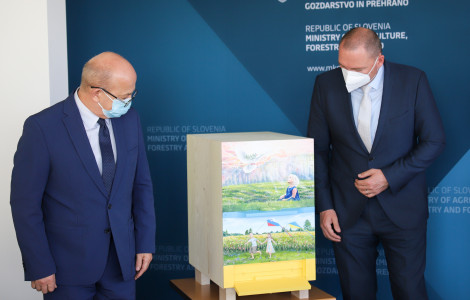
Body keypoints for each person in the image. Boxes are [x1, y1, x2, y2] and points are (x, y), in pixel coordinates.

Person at [307, 28, 445, 300]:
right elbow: (318, 151)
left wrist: (389, 176)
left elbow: (434, 141)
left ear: (379, 60)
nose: (347, 76)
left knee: (410, 292)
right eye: (342, 66)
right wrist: (325, 207)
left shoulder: (413, 80)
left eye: (356, 69)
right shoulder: (326, 84)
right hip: (348, 214)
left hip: (403, 210)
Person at [10, 52, 156, 300]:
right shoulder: (42, 128)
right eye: (123, 97)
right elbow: (25, 205)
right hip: (66, 268)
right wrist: (39, 264)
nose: (129, 101)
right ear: (96, 92)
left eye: (132, 94)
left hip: (121, 262)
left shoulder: (130, 120)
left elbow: (141, 185)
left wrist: (144, 243)